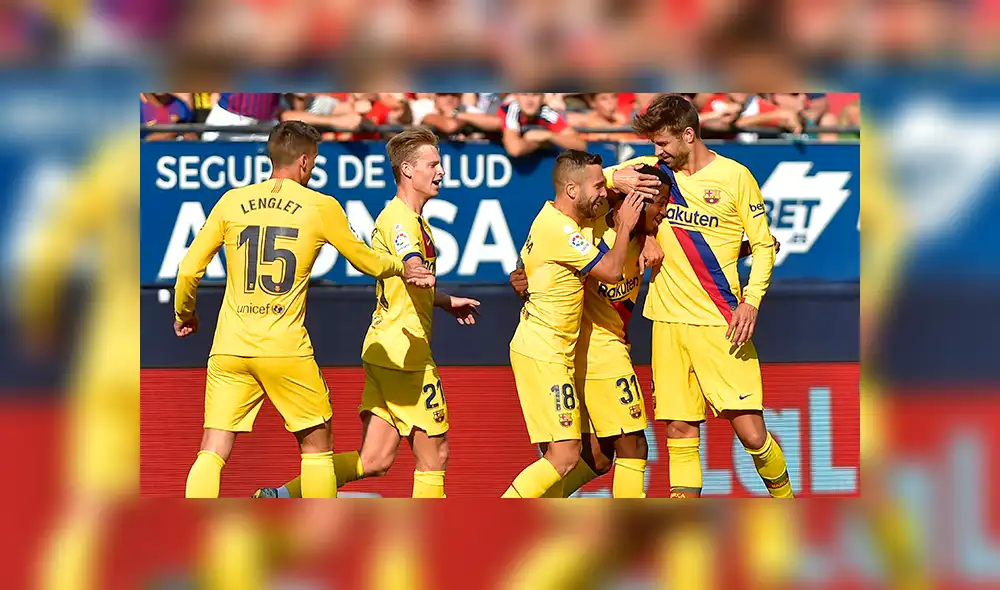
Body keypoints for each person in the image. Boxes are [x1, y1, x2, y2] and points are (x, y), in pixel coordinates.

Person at [175, 121, 435, 498]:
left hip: (229, 346)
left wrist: (185, 313)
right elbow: (366, 260)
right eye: (312, 162)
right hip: (285, 347)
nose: (313, 169)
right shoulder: (319, 206)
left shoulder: (231, 201)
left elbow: (188, 269)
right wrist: (401, 266)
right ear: (303, 161)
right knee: (316, 446)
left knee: (213, 448)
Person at [509, 166, 781, 498]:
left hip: (587, 350)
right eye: (661, 203)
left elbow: (697, 255)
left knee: (596, 457)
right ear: (635, 201)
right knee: (631, 447)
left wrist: (746, 248)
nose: (667, 211)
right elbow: (559, 235)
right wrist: (523, 275)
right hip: (594, 348)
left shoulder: (655, 232)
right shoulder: (594, 227)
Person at [254, 127, 480, 499]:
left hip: (382, 348)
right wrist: (414, 266)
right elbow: (408, 260)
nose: (441, 173)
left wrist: (443, 300)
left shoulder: (408, 218)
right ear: (407, 170)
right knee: (434, 458)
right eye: (433, 165)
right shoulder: (401, 220)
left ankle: (280, 496)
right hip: (406, 355)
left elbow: (406, 280)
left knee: (375, 459)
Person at [606, 93, 794, 499]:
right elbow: (596, 178)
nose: (657, 153)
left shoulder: (735, 178)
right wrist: (624, 194)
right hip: (668, 322)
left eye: (663, 144)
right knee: (678, 429)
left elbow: (764, 245)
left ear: (688, 135)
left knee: (752, 434)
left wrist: (752, 301)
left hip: (721, 322)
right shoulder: (653, 173)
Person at [502, 149, 644, 498]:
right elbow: (611, 272)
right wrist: (625, 226)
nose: (602, 193)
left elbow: (527, 267)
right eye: (597, 186)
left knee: (583, 457)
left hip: (557, 351)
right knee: (564, 456)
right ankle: (496, 524)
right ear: (571, 190)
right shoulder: (563, 230)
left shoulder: (553, 219)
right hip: (543, 351)